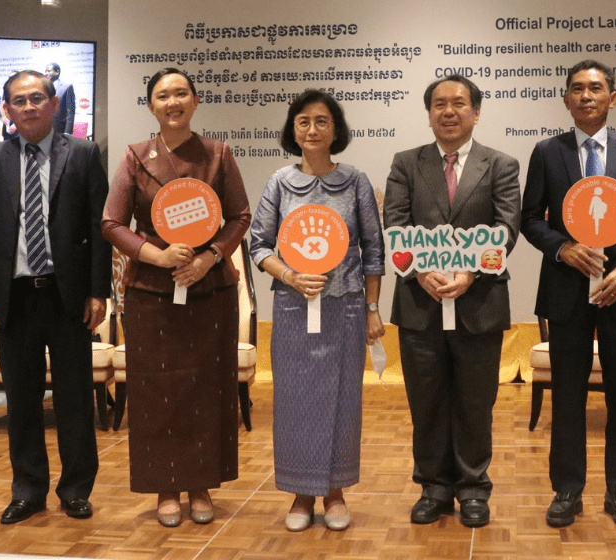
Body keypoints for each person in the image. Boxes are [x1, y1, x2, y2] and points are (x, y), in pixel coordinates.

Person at [102, 67, 251, 528]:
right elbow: (112, 223)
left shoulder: (218, 154)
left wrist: (209, 257)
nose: (173, 101)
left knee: (208, 387)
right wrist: (157, 257)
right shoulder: (134, 156)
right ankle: (166, 487)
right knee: (157, 391)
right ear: (151, 105)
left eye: (181, 93)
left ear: (196, 100)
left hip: (210, 289)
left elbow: (239, 216)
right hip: (152, 292)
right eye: (163, 95)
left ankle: (202, 483)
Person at [520, 59, 616, 529]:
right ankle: (567, 490)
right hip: (566, 295)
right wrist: (562, 248)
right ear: (565, 99)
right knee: (567, 397)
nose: (586, 96)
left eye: (596, 88)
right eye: (577, 89)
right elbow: (530, 219)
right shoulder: (547, 151)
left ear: (613, 98)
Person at [0, 69, 111, 524]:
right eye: (18, 100)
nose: (28, 106)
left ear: (53, 104)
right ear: (6, 109)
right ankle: (28, 490)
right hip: (13, 297)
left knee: (74, 398)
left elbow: (98, 229)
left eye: (36, 98)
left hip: (66, 296)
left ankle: (75, 490)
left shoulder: (85, 154)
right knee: (22, 399)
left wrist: (97, 290)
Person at [383, 75, 520, 528]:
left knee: (475, 403)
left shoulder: (500, 164)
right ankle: (434, 487)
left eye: (459, 103)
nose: (448, 111)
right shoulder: (406, 163)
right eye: (439, 104)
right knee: (426, 401)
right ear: (429, 114)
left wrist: (471, 271)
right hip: (420, 304)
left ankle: (473, 489)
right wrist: (420, 270)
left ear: (476, 112)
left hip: (479, 302)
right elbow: (396, 221)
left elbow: (506, 227)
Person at [249, 89, 385, 532]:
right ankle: (301, 493)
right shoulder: (279, 182)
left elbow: (374, 251)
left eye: (322, 121)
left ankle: (335, 492)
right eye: (303, 121)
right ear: (293, 129)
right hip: (291, 307)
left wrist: (371, 308)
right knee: (294, 402)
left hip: (343, 308)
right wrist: (289, 276)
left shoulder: (357, 181)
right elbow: (259, 244)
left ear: (336, 130)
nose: (312, 129)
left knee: (344, 401)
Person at [45, 63, 76, 135]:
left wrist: (67, 132)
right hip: (44, 130)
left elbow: (70, 112)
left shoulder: (67, 87)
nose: (46, 73)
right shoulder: (43, 87)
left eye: (49, 71)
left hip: (60, 129)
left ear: (57, 72)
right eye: (45, 71)